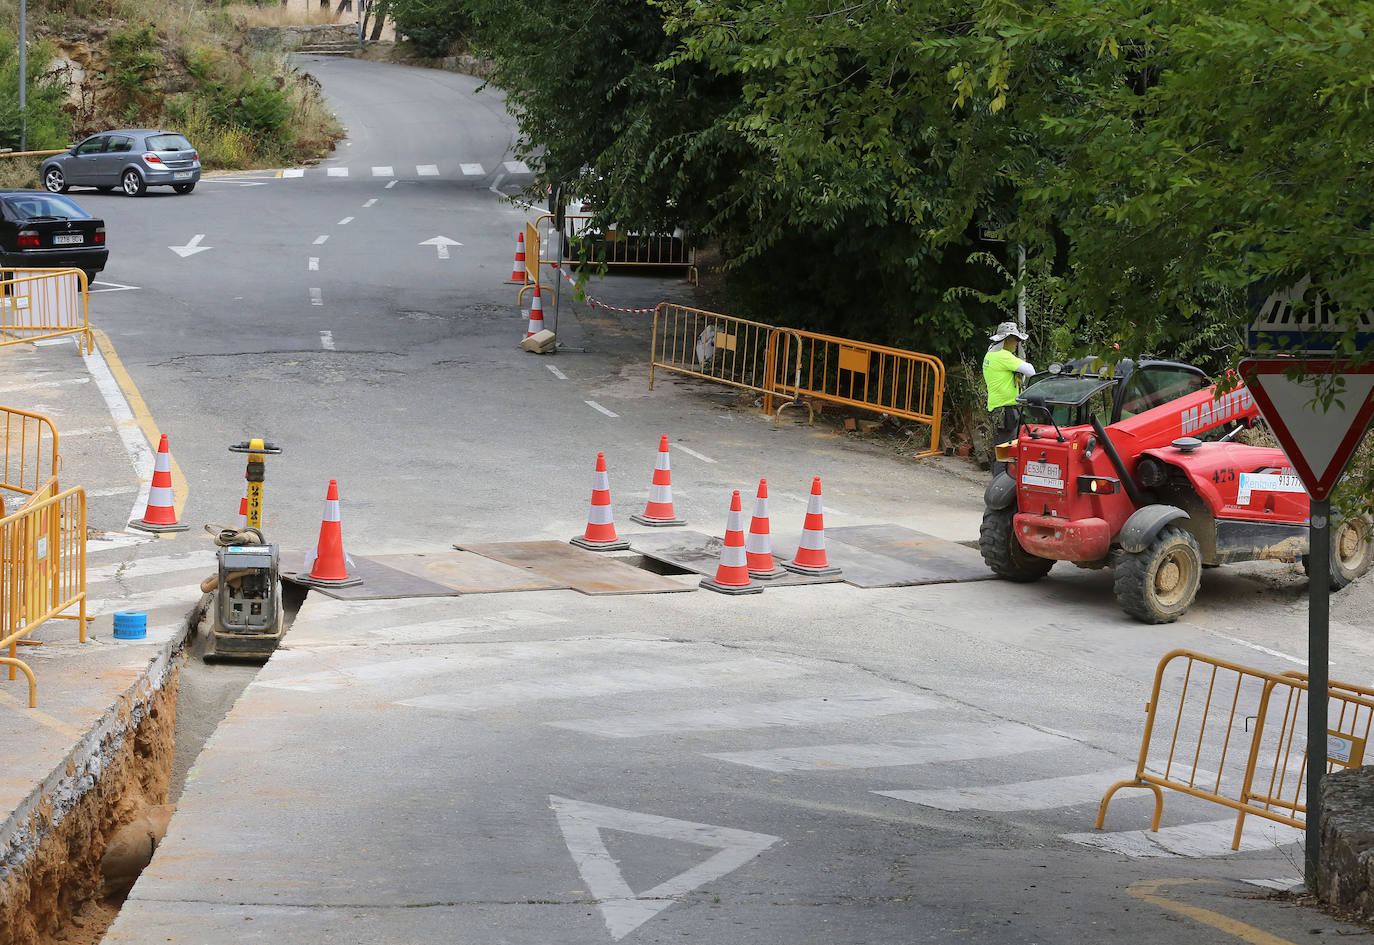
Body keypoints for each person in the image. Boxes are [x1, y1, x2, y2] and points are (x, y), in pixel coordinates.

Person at [983, 321, 1035, 477]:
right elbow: (1031, 370)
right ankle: (999, 489)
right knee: (1005, 453)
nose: (1017, 343)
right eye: (1016, 339)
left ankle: (997, 487)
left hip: (997, 408)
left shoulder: (990, 354)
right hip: (1006, 411)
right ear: (1007, 340)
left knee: (1000, 450)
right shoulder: (1004, 356)